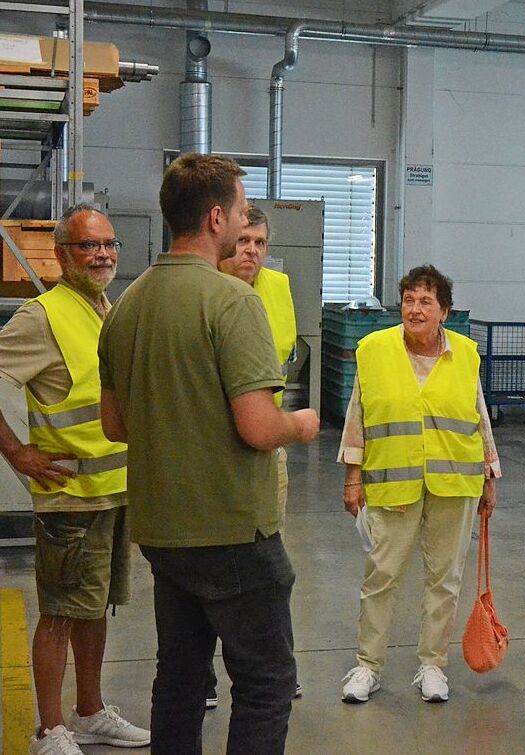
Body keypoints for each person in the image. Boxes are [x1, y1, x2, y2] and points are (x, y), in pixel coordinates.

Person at [97, 153, 320, 755]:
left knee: (180, 680)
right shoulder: (232, 302)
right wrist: (298, 424)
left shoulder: (125, 309)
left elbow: (114, 425)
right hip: (232, 532)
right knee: (267, 682)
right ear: (217, 218)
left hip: (162, 533)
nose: (247, 229)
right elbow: (256, 426)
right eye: (243, 214)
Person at [0, 205, 150, 755]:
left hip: (111, 493)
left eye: (108, 244)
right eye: (89, 246)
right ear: (62, 254)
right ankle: (50, 728)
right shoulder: (42, 316)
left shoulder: (104, 308)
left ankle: (89, 712)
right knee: (61, 613)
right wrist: (18, 453)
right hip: (69, 497)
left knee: (95, 608)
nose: (103, 254)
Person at [337, 264, 499, 704]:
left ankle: (432, 665)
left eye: (426, 301)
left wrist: (490, 475)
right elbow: (359, 416)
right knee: (382, 575)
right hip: (393, 481)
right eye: (409, 299)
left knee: (445, 578)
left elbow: (478, 415)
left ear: (444, 311)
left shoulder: (466, 353)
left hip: (456, 479)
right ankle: (367, 666)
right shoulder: (374, 349)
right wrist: (353, 478)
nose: (415, 308)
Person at [211, 204, 301, 708]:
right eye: (243, 241)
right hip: (211, 448)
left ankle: (277, 666)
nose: (251, 251)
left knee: (269, 562)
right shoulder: (207, 290)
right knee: (206, 564)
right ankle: (202, 675)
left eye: (260, 243)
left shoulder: (278, 290)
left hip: (269, 443)